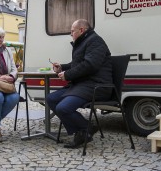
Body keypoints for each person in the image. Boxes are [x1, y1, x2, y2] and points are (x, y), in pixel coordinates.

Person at [46, 19, 112, 149]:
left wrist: (67, 75)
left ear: (81, 30)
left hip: (96, 85)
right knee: (51, 99)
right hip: (82, 85)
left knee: (63, 108)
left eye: (72, 31)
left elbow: (90, 65)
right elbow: (77, 64)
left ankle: (86, 128)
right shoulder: (84, 42)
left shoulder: (95, 41)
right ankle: (82, 131)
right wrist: (62, 68)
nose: (71, 34)